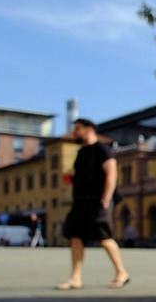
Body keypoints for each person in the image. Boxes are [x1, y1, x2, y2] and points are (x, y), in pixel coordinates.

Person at [55, 119, 130, 290]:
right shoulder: (82, 153)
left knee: (104, 237)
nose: (74, 132)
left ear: (89, 129)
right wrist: (71, 179)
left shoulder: (103, 149)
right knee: (75, 237)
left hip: (99, 200)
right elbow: (84, 176)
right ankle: (75, 278)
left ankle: (121, 272)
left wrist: (105, 198)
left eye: (77, 129)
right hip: (81, 201)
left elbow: (111, 174)